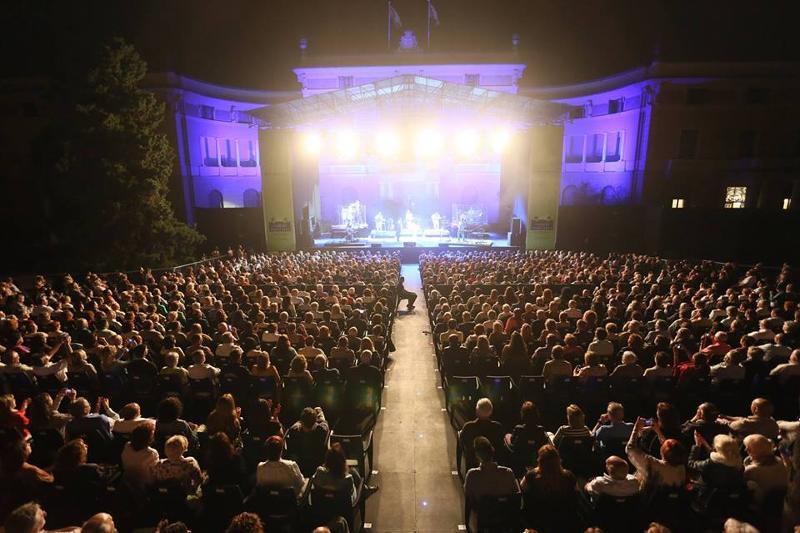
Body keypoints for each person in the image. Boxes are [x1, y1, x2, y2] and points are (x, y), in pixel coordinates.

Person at [463, 436, 519, 531]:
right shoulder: (508, 473)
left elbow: (468, 499)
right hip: (504, 517)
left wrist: (466, 523)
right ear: (492, 451)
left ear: (477, 455)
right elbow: (514, 495)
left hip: (484, 518)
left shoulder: (472, 475)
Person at [520, 444, 578, 532]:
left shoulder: (531, 476)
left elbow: (522, 490)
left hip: (538, 520)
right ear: (558, 460)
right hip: (563, 520)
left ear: (540, 460)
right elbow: (576, 495)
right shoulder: (569, 476)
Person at [626, 417, 687, 490]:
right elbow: (670, 449)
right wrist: (658, 431)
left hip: (651, 499)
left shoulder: (652, 464)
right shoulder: (682, 468)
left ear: (662, 452)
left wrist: (636, 428)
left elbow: (630, 449)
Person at [688, 433, 744, 502]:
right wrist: (706, 445)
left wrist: (697, 446)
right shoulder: (738, 464)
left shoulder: (710, 464)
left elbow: (691, 464)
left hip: (705, 498)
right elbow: (723, 456)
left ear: (717, 448)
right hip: (725, 499)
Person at [742, 433, 789, 505]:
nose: (745, 450)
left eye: (748, 448)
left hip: (766, 502)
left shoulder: (752, 470)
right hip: (783, 498)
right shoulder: (778, 459)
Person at [459, 398, 505, 470]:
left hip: (473, 460)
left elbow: (462, 440)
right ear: (491, 412)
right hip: (493, 460)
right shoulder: (497, 427)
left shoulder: (468, 426)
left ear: (477, 411)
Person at [285, 407, 330, 477]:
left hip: (301, 468)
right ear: (315, 422)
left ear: (302, 422)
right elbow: (324, 421)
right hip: (317, 468)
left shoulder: (294, 431)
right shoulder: (321, 430)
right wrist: (319, 412)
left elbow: (297, 423)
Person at [121, 421, 159, 489]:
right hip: (145, 485)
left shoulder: (127, 446)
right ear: (149, 438)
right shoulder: (152, 453)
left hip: (126, 481)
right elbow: (155, 473)